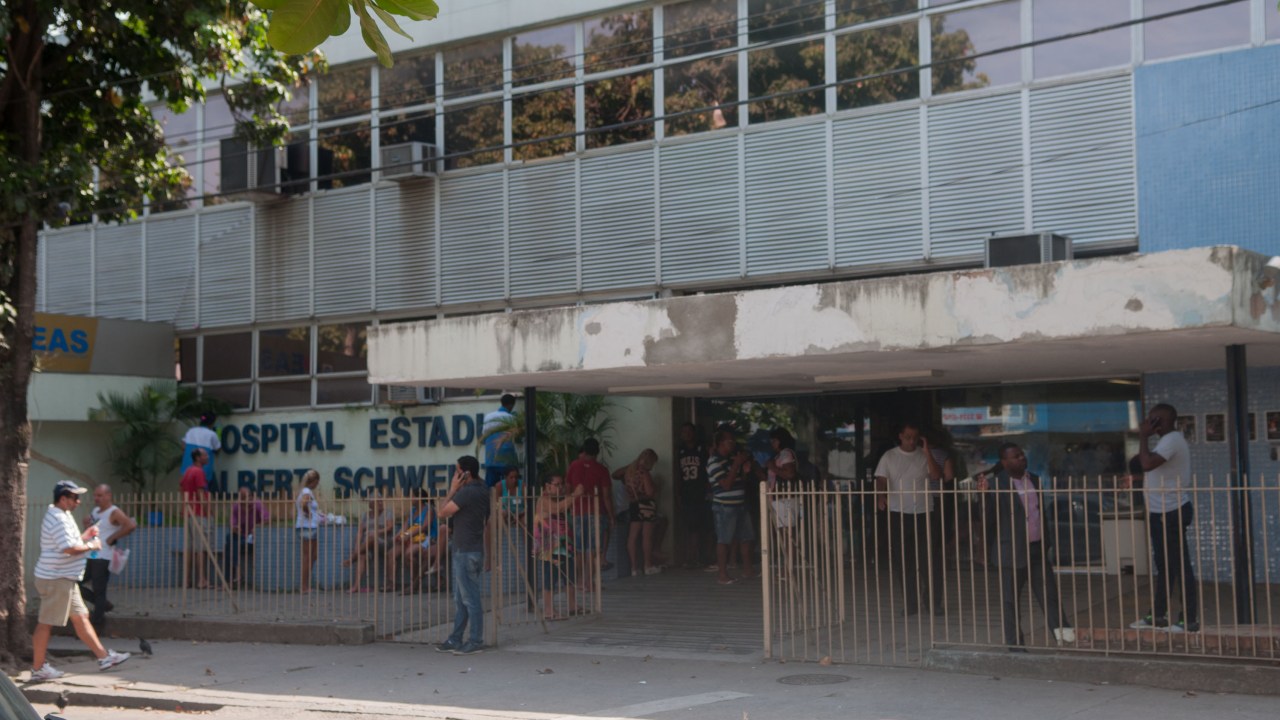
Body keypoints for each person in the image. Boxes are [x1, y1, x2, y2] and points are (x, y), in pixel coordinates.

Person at [29, 481, 131, 681]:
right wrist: (92, 544)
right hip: (56, 578)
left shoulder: (62, 515)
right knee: (46, 623)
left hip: (64, 578)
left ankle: (104, 658)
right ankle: (38, 668)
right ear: (63, 499)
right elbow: (68, 548)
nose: (79, 501)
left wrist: (85, 536)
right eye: (75, 497)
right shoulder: (58, 517)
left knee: (81, 616)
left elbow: (71, 542)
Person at [977, 444, 1074, 649]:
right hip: (1010, 551)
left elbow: (1040, 514)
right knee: (1010, 602)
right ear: (1004, 462)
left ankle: (1065, 637)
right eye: (1016, 456)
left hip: (1037, 549)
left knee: (1050, 597)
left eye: (1022, 455)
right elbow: (987, 519)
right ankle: (1015, 645)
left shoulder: (1034, 480)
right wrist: (984, 495)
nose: (1022, 458)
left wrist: (1046, 542)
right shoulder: (995, 485)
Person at [1127, 402, 1200, 633]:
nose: (1150, 423)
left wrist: (1143, 437)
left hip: (1172, 511)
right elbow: (1158, 472)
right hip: (1160, 512)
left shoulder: (1172, 440)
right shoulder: (1165, 441)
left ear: (1164, 421)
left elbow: (1146, 464)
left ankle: (1188, 620)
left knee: (1179, 566)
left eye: (1153, 420)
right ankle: (1157, 616)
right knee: (1165, 567)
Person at [874, 422, 944, 616]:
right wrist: (881, 495)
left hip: (924, 512)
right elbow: (881, 478)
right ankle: (911, 604)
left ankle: (932, 603)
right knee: (904, 561)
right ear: (900, 436)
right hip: (899, 512)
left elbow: (937, 475)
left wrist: (927, 450)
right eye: (908, 437)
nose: (911, 440)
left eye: (915, 437)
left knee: (929, 560)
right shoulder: (890, 456)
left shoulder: (924, 455)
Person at [435, 455, 491, 655]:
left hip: (465, 551)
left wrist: (452, 489)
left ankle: (475, 640)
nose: (454, 474)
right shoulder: (483, 489)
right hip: (471, 549)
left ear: (464, 473)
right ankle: (456, 638)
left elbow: (442, 513)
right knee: (461, 599)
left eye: (456, 470)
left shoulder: (467, 492)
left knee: (470, 599)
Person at [79, 483, 135, 634]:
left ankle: (97, 623)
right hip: (90, 554)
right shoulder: (96, 511)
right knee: (75, 584)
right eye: (95, 495)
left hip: (103, 556)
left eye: (100, 495)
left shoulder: (114, 511)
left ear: (108, 496)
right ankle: (103, 605)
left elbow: (130, 525)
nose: (96, 498)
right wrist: (87, 525)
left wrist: (113, 538)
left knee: (99, 589)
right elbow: (93, 529)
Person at [566, 438, 614, 592]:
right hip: (596, 512)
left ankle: (580, 581)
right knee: (593, 548)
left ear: (584, 450)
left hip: (577, 511)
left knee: (579, 548)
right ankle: (590, 581)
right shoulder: (602, 469)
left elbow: (567, 488)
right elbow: (606, 496)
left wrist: (568, 506)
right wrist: (611, 515)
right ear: (597, 452)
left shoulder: (574, 465)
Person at [707, 429, 755, 585]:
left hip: (740, 503)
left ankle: (748, 571)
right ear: (720, 443)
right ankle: (722, 574)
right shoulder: (714, 461)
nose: (733, 444)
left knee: (746, 538)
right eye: (729, 441)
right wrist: (736, 464)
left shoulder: (730, 459)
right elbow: (726, 485)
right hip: (724, 506)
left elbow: (739, 480)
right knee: (724, 540)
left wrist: (744, 470)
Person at [534, 473, 584, 620]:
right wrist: (575, 495)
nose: (560, 487)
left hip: (564, 544)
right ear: (547, 487)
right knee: (551, 576)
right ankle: (549, 610)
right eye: (557, 485)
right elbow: (556, 509)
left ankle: (572, 605)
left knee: (569, 574)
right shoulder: (543, 500)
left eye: (561, 484)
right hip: (550, 545)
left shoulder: (561, 498)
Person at [384, 490, 439, 592]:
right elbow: (405, 526)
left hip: (426, 539)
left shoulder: (429, 510)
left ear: (419, 498)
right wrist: (398, 535)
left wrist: (407, 535)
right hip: (411, 538)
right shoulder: (413, 510)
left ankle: (415, 584)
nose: (410, 498)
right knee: (391, 553)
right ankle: (392, 584)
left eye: (412, 496)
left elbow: (424, 527)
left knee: (408, 554)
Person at [675, 423, 712, 569]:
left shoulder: (702, 449)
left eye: (690, 431)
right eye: (684, 432)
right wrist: (678, 493)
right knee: (691, 527)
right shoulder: (680, 451)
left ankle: (706, 556)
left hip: (702, 492)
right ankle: (692, 557)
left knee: (707, 526)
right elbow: (678, 473)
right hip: (687, 493)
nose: (687, 434)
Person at [344, 492, 397, 593]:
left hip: (383, 542)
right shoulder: (365, 515)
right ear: (371, 505)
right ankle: (355, 586)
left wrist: (376, 532)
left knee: (371, 537)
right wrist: (356, 547)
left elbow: (389, 528)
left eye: (381, 501)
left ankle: (352, 558)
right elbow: (359, 533)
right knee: (362, 556)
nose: (381, 503)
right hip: (367, 544)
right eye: (378, 502)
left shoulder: (387, 512)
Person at [623, 449, 661, 577]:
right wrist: (656, 487)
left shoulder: (629, 471)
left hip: (633, 504)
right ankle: (648, 565)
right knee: (647, 536)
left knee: (632, 536)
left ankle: (634, 568)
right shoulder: (644, 472)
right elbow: (649, 492)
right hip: (646, 505)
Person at [224, 486, 269, 589]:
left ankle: (232, 578)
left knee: (230, 545)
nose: (245, 500)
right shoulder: (236, 506)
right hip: (241, 537)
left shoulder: (257, 504)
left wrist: (257, 527)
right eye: (242, 497)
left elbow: (267, 520)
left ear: (252, 496)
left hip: (253, 538)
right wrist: (235, 527)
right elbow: (232, 522)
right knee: (230, 540)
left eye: (247, 496)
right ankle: (237, 574)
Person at [180, 448, 212, 589]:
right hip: (198, 514)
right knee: (200, 548)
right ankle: (202, 580)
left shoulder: (188, 471)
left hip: (189, 513)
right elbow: (200, 494)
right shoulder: (199, 472)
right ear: (198, 458)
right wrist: (208, 512)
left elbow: (182, 489)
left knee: (189, 548)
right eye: (205, 455)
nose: (208, 456)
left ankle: (186, 580)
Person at [482, 393, 519, 488]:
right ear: (511, 405)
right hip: (506, 459)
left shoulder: (489, 416)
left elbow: (484, 434)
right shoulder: (511, 418)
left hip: (491, 458)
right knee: (506, 488)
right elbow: (516, 436)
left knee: (491, 488)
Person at [295, 470, 322, 594]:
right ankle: (304, 586)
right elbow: (304, 504)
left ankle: (306, 584)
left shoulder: (305, 491)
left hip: (311, 526)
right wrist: (308, 513)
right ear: (314, 481)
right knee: (308, 556)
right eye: (317, 481)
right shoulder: (306, 491)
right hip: (307, 527)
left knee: (313, 555)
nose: (318, 484)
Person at [181, 412, 221, 491]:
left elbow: (183, 445)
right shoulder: (211, 434)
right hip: (204, 469)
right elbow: (217, 448)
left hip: (187, 468)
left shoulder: (191, 431)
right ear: (212, 423)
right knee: (207, 492)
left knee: (189, 491)